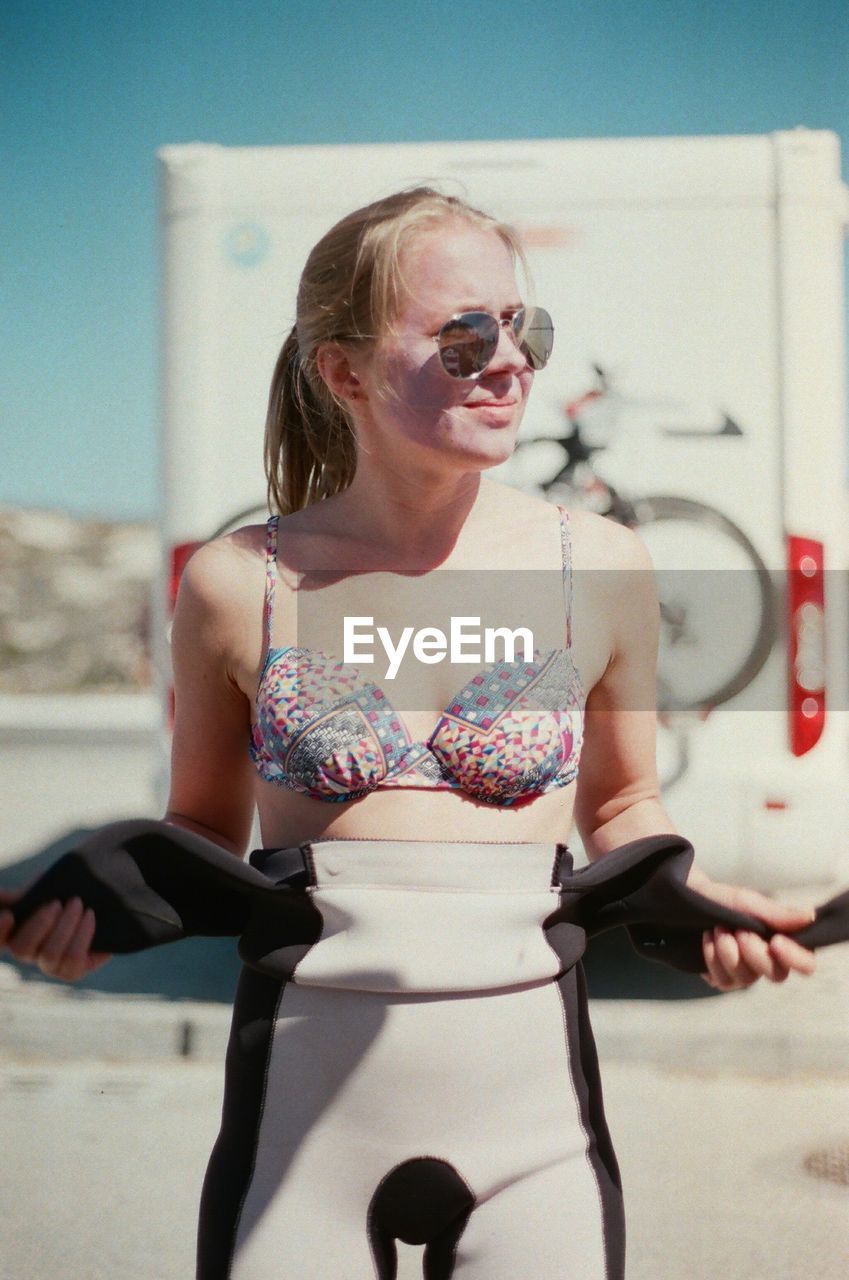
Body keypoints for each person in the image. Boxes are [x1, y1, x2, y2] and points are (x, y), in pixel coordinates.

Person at [0, 188, 817, 1279]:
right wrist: (101, 920)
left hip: (539, 1136)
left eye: (524, 328)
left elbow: (624, 803)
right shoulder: (241, 582)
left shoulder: (605, 564)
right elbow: (198, 827)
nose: (510, 361)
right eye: (463, 335)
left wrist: (697, 905)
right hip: (298, 1129)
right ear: (342, 372)